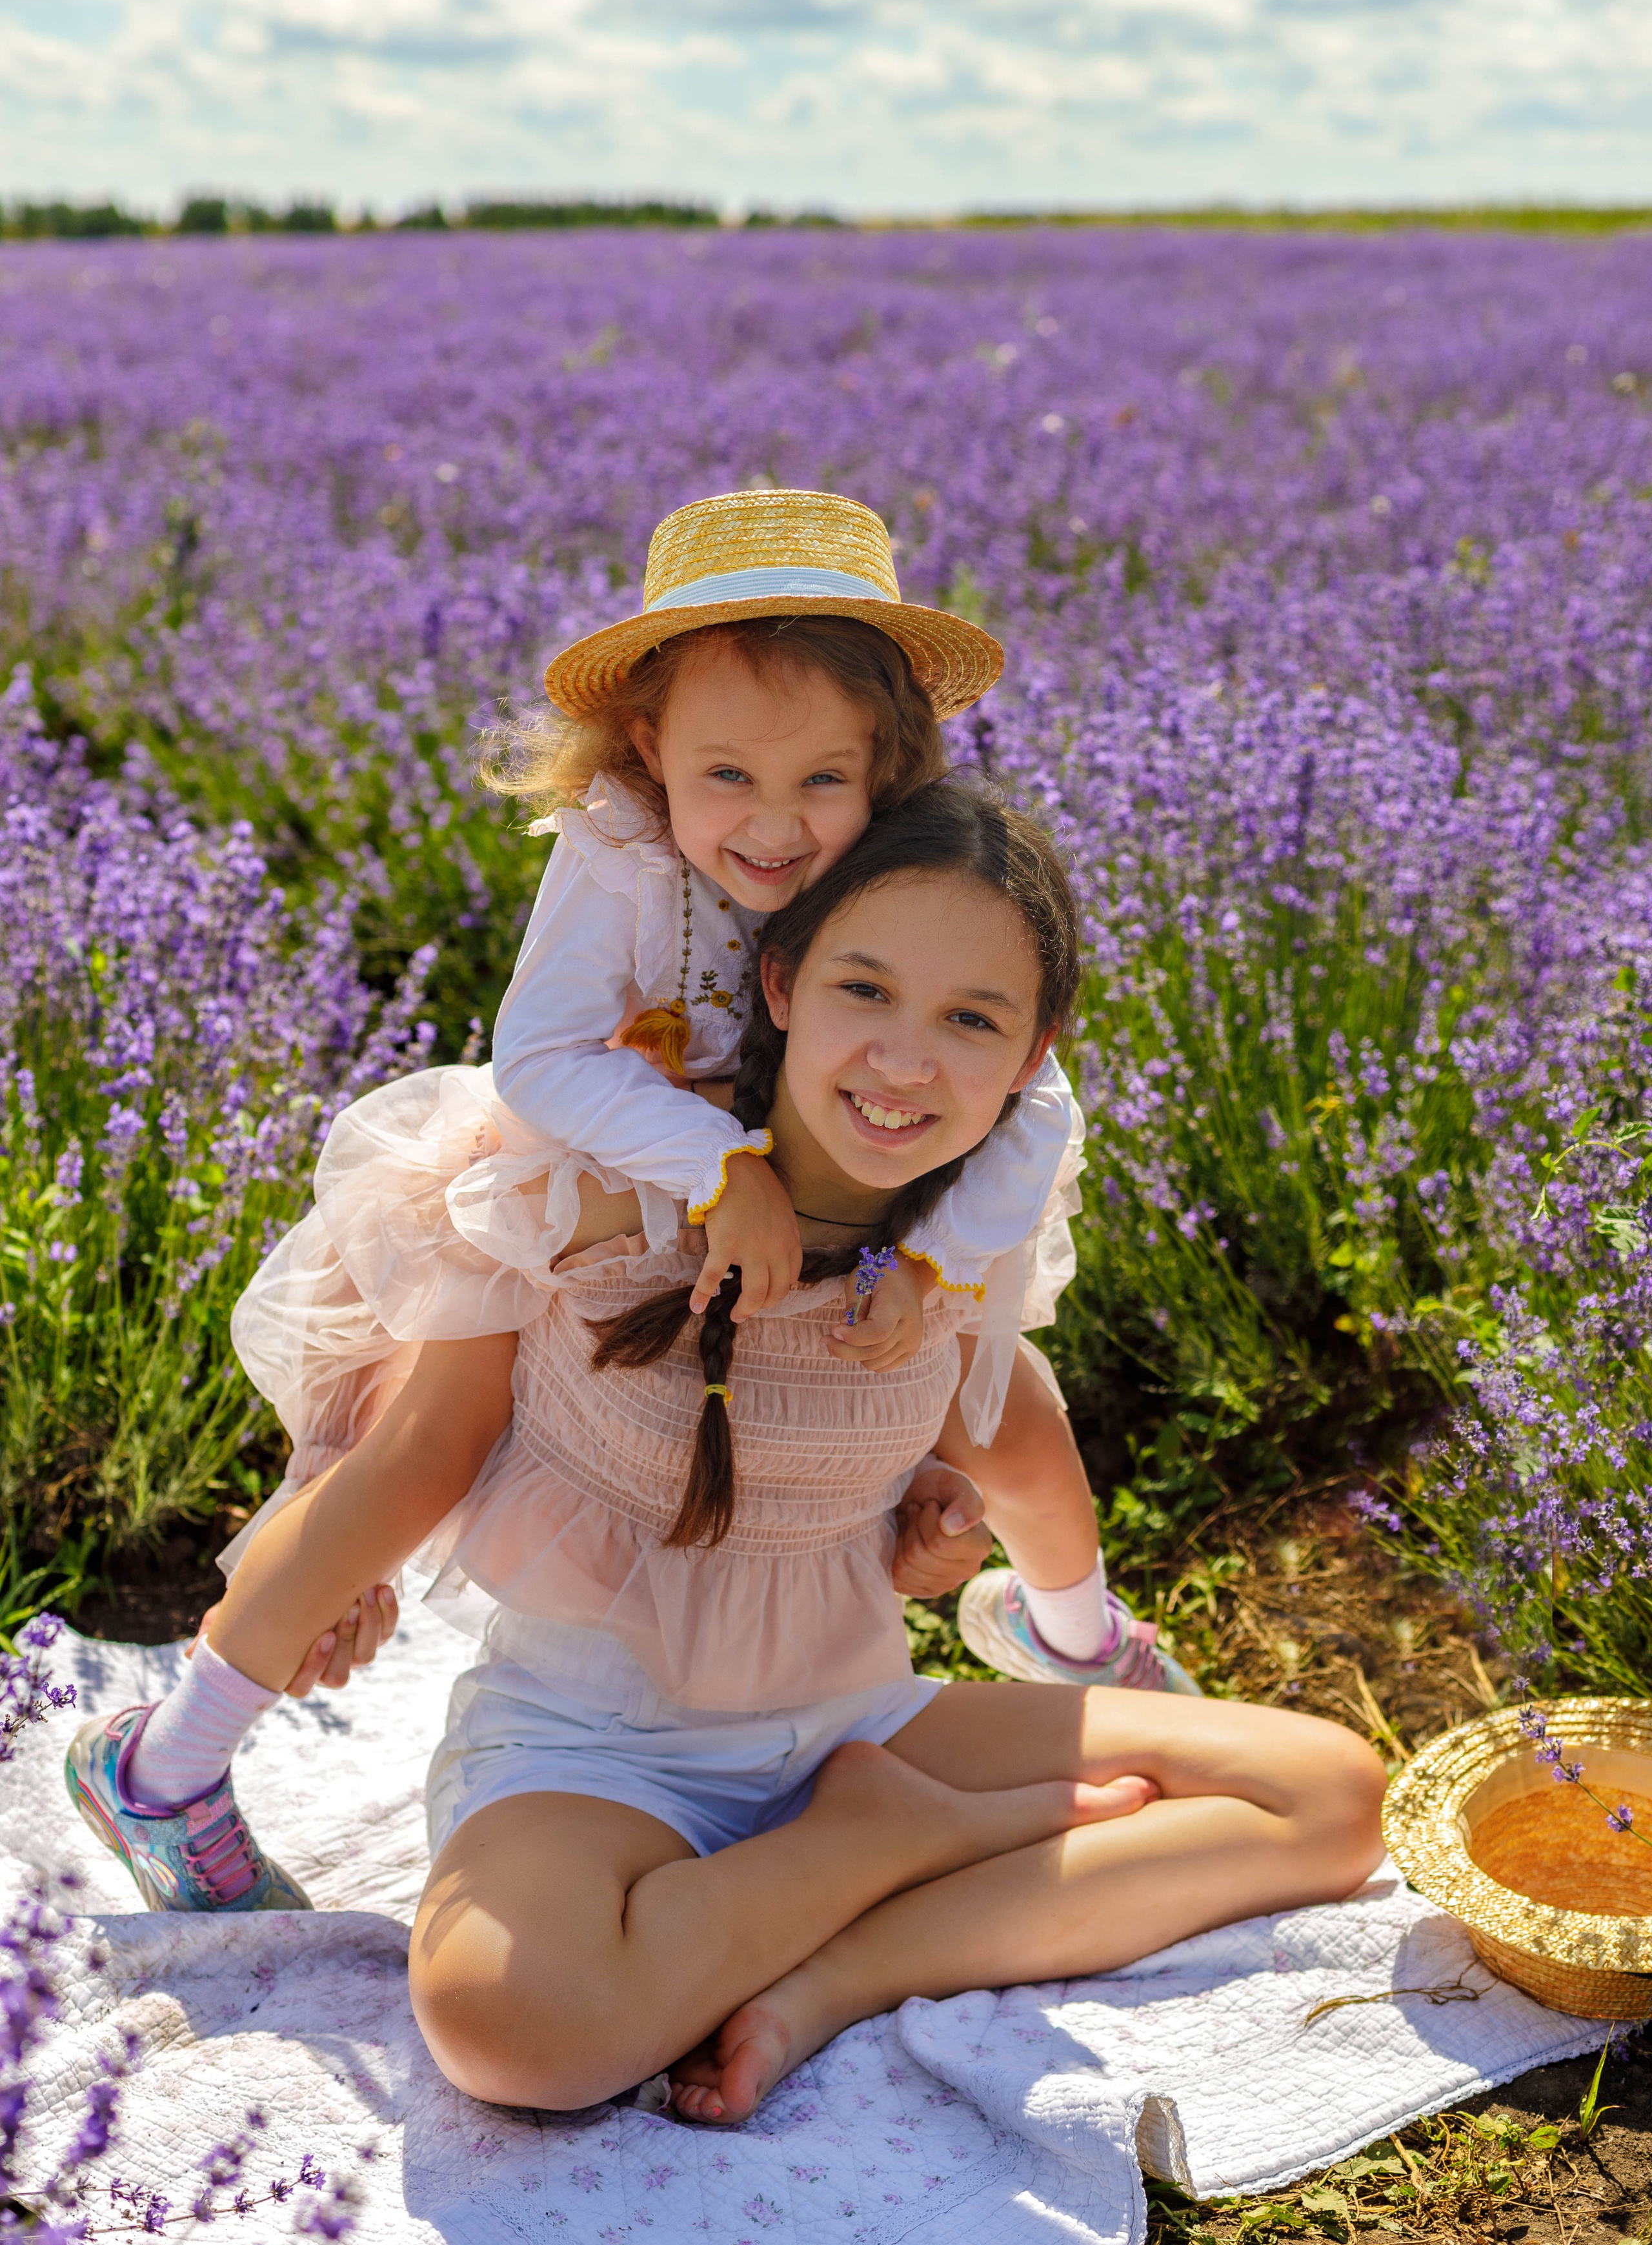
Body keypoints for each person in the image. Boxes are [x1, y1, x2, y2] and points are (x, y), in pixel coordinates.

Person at [65, 494, 1195, 1918]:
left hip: (825, 1206)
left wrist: (940, 1262)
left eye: (820, 785)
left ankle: (1074, 1635)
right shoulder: (616, 853)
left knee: (1007, 1411)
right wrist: (716, 1168)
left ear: (886, 765)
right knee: (424, 1456)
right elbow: (539, 1062)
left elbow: (1035, 1094)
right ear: (648, 746)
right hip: (579, 1187)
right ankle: (167, 1766)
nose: (773, 829)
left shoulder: (902, 857)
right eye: (725, 774)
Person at [192, 779, 1380, 2120]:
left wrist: (939, 1533)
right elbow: (411, 1365)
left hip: (852, 1728)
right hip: (597, 1751)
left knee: (1326, 1796)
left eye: (970, 1021)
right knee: (514, 2027)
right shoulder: (608, 1193)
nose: (904, 1061)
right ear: (778, 984)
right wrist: (328, 1550)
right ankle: (887, 1847)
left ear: (1033, 1055)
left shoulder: (949, 1265)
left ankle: (835, 1962)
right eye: (862, 991)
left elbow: (1009, 1455)